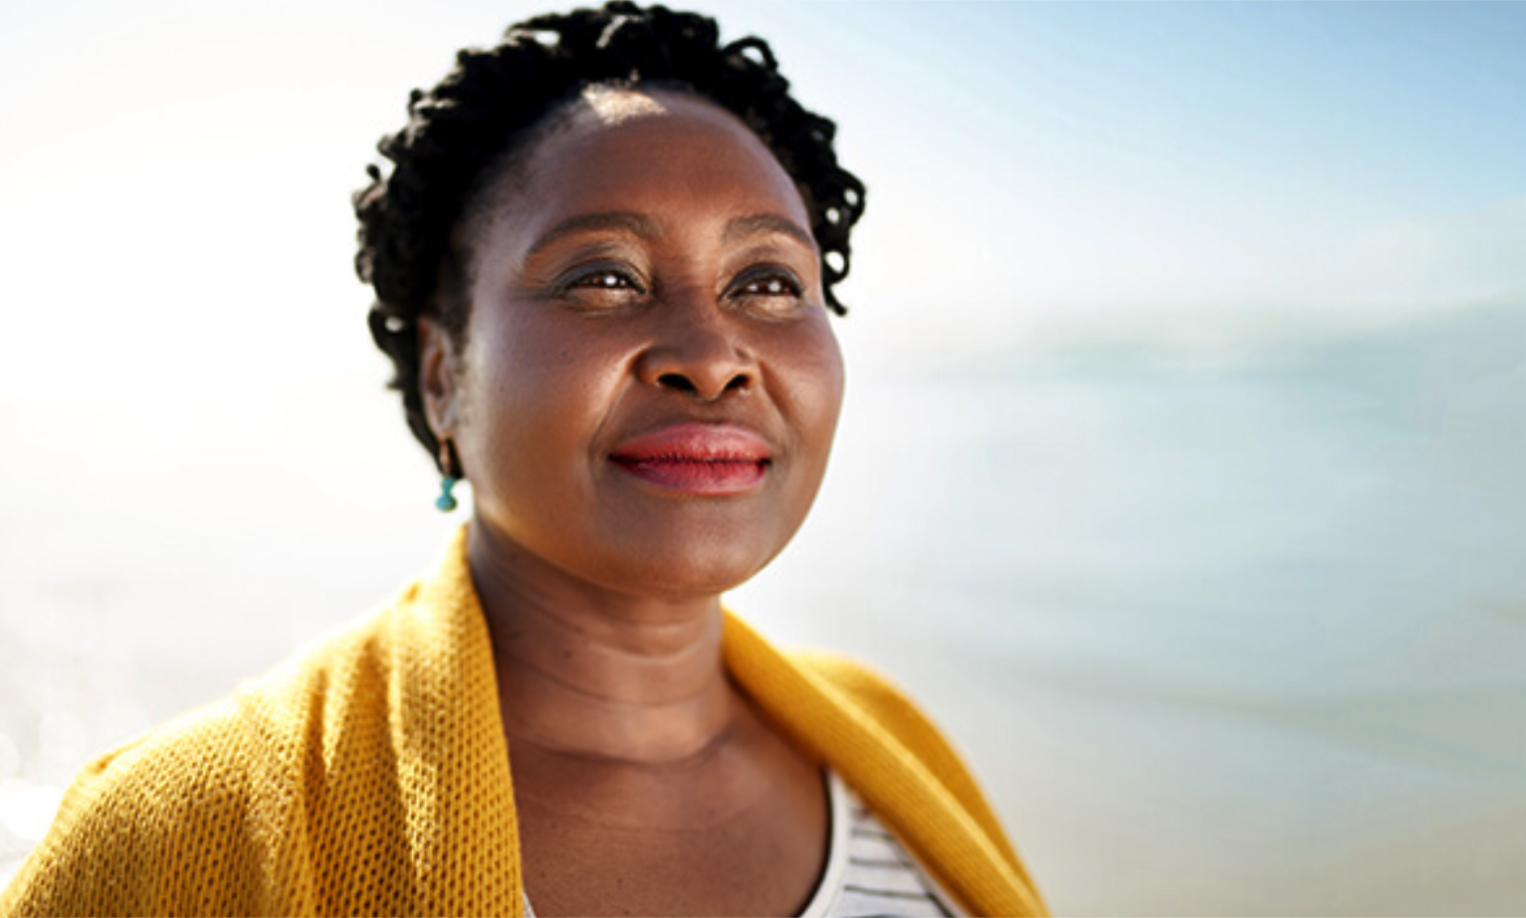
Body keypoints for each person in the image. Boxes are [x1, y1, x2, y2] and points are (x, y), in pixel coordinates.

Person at [0, 4, 1046, 916]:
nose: (711, 355)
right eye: (605, 275)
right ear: (443, 374)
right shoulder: (177, 833)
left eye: (768, 282)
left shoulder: (889, 737)